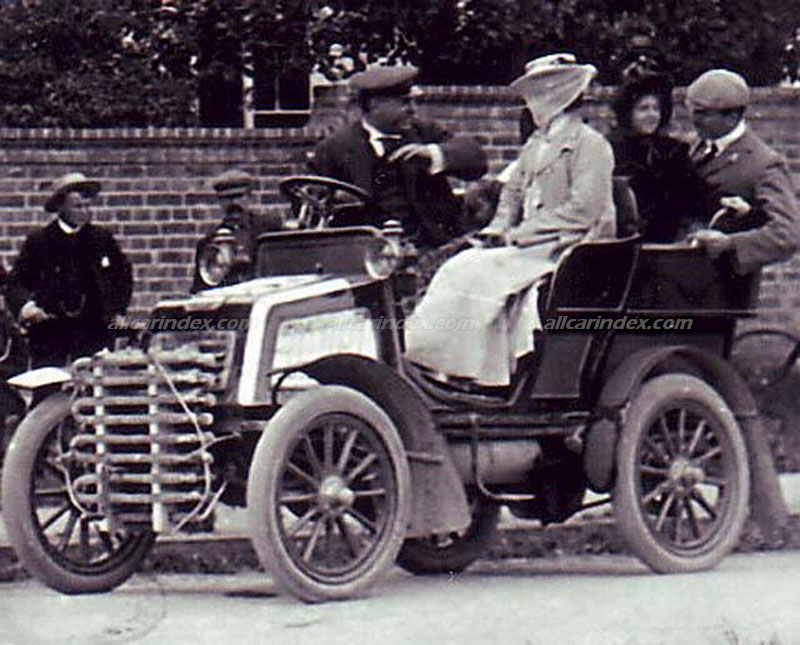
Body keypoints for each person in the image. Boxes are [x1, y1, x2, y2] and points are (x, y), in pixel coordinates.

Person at [404, 54, 615, 387]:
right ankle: (444, 365)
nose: (531, 104)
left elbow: (583, 210)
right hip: (528, 242)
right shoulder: (536, 143)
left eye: (537, 94)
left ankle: (479, 373)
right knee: (460, 267)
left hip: (569, 245)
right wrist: (497, 228)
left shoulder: (590, 145)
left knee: (483, 274)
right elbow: (512, 193)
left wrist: (519, 234)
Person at [310, 65, 487, 251]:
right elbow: (310, 204)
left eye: (412, 102)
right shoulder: (335, 148)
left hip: (435, 246)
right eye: (404, 102)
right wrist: (337, 201)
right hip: (369, 255)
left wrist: (433, 154)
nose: (412, 110)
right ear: (374, 105)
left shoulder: (424, 132)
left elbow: (476, 160)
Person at [6, 172, 132, 368]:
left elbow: (122, 276)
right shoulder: (40, 241)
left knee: (93, 380)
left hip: (93, 330)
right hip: (50, 332)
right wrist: (27, 308)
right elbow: (17, 282)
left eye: (87, 206)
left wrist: (117, 310)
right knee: (50, 381)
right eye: (77, 207)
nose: (84, 212)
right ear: (61, 207)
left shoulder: (101, 239)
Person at [684, 69, 800, 274]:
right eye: (692, 110)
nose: (694, 119)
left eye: (703, 113)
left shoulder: (763, 163)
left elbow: (786, 234)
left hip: (724, 285)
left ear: (732, 117)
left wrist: (730, 243)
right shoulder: (693, 149)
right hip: (678, 276)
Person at [609, 73, 699, 242]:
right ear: (628, 113)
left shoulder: (675, 152)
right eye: (643, 109)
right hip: (622, 242)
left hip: (666, 243)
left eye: (656, 109)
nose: (652, 115)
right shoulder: (611, 151)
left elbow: (695, 196)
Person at [191, 168, 282, 292]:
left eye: (239, 196)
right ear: (219, 201)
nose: (233, 202)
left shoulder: (270, 231)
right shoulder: (209, 243)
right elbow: (201, 289)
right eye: (226, 198)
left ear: (250, 198)